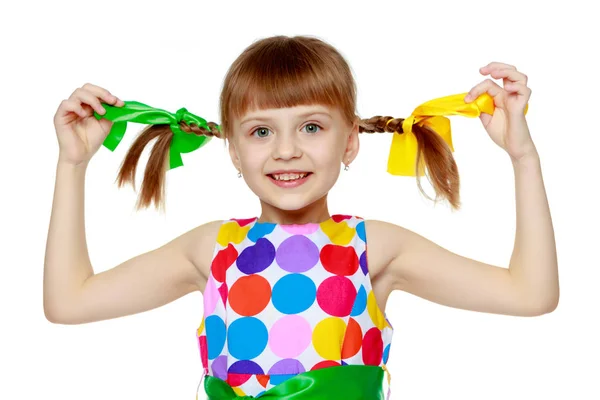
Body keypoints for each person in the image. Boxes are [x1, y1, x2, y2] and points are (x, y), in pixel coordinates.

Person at [44, 35, 559, 399]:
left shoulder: (373, 247)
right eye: (261, 131)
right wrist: (72, 164)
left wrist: (523, 157)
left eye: (311, 127)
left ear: (350, 140)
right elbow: (68, 303)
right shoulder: (212, 249)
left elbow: (530, 294)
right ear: (232, 149)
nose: (286, 150)